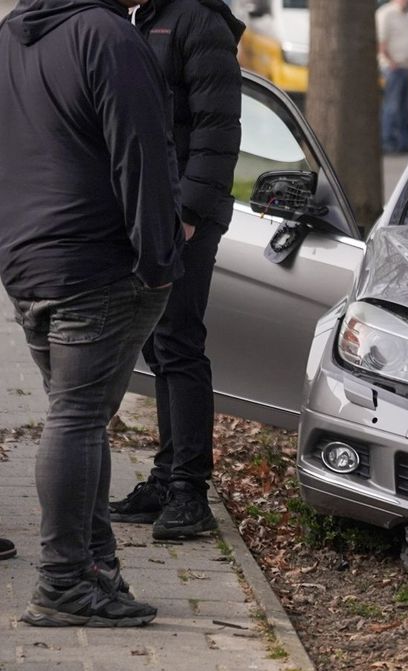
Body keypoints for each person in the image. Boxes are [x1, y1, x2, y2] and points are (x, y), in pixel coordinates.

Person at [0, 0, 184, 627]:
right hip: (96, 261)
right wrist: (159, 258)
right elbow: (143, 152)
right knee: (77, 420)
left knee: (77, 418)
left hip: (29, 260)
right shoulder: (107, 35)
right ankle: (61, 584)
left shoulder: (12, 35)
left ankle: (93, 569)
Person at [108, 0, 244, 541]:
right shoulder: (138, 20)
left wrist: (187, 214)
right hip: (144, 213)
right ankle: (166, 479)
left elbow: (218, 128)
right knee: (157, 347)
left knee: (179, 343)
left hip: (185, 218)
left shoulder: (197, 21)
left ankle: (191, 491)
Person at [377, 0, 408, 153]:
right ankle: (388, 141)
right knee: (392, 106)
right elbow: (381, 41)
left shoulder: (406, 14)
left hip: (406, 67)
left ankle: (403, 142)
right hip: (394, 67)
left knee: (405, 107)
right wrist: (390, 62)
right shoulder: (386, 13)